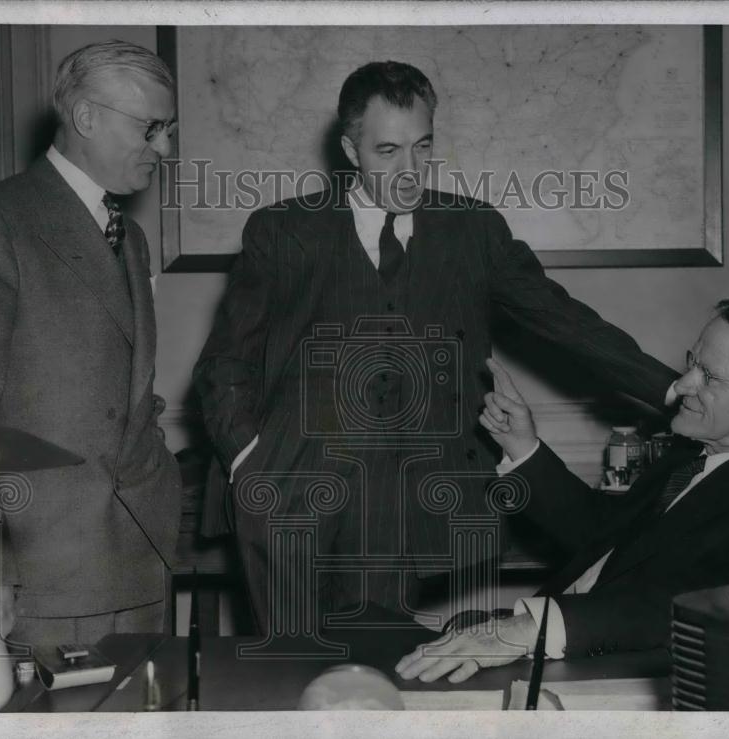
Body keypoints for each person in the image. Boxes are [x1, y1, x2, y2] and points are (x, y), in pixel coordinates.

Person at [193, 60, 679, 635]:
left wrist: (674, 390)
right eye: (387, 151)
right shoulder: (282, 231)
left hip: (403, 501)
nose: (409, 171)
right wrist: (249, 461)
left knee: (374, 673)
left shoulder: (471, 231)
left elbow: (563, 319)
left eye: (423, 147)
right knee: (287, 671)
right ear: (350, 150)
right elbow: (227, 361)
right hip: (286, 490)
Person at [396, 294, 729, 684]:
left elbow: (695, 606)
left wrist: (529, 629)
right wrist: (522, 445)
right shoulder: (692, 454)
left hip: (612, 668)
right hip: (557, 643)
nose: (682, 384)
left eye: (711, 377)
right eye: (693, 362)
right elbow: (602, 534)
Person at [0, 40, 182, 647]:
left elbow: (127, 396)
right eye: (151, 128)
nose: (164, 149)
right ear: (86, 118)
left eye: (167, 130)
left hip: (137, 566)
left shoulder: (131, 236)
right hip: (35, 585)